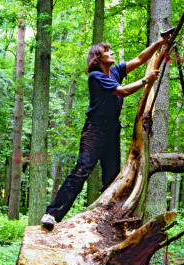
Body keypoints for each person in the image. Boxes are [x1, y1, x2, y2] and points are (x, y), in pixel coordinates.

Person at [41, 35, 170, 230]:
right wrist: (145, 80)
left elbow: (139, 59)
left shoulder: (115, 71)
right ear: (98, 57)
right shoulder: (96, 76)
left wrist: (159, 44)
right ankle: (52, 213)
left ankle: (106, 220)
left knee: (112, 177)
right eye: (107, 51)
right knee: (82, 170)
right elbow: (122, 91)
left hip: (112, 129)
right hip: (94, 129)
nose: (112, 53)